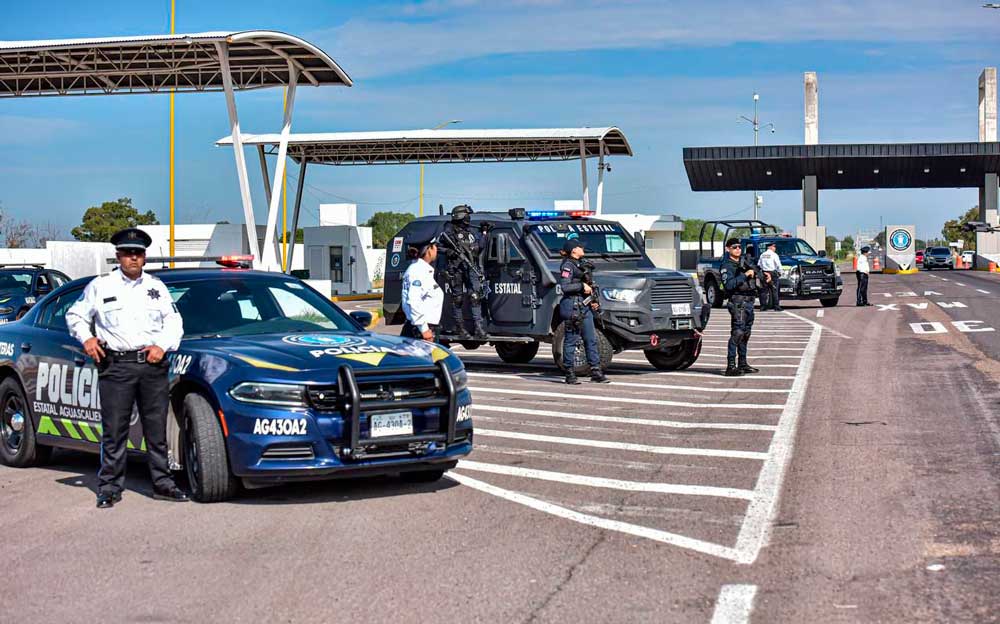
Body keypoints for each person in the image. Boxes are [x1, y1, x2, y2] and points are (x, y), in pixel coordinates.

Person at [66, 227, 187, 508]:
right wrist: (87, 338)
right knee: (115, 430)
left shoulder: (155, 287)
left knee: (155, 429)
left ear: (144, 257)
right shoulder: (101, 286)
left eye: (139, 253)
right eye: (128, 253)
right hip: (116, 365)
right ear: (118, 256)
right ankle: (109, 487)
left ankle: (163, 484)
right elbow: (75, 315)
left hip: (152, 366)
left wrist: (162, 346)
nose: (133, 258)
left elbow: (174, 322)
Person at [558, 240, 610, 385]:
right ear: (573, 250)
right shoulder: (568, 265)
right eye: (580, 246)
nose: (582, 248)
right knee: (571, 341)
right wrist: (581, 286)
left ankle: (596, 371)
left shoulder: (580, 264)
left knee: (591, 339)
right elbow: (564, 287)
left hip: (584, 306)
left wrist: (593, 300)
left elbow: (589, 285)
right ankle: (569, 373)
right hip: (573, 307)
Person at [437, 204, 489, 339]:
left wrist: (484, 233)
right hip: (457, 268)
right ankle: (460, 328)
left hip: (470, 266)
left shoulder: (471, 232)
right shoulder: (449, 231)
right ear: (461, 216)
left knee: (475, 297)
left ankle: (478, 328)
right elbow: (438, 247)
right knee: (458, 299)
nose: (469, 218)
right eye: (467, 215)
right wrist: (450, 251)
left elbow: (480, 247)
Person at [720, 238, 759, 377]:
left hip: (749, 301)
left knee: (746, 334)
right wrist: (745, 274)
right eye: (734, 247)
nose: (738, 249)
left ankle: (743, 363)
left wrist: (761, 274)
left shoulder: (745, 262)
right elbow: (729, 285)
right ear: (728, 249)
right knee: (737, 333)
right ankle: (731, 366)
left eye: (739, 247)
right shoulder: (727, 266)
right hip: (738, 302)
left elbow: (757, 274)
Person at [400, 237, 444, 341]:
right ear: (429, 250)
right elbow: (413, 301)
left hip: (421, 328)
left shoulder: (419, 269)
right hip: (421, 331)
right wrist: (424, 329)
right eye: (435, 246)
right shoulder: (418, 271)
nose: (436, 250)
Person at [758, 240, 782, 311]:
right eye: (774, 246)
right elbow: (778, 265)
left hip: (764, 273)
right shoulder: (774, 255)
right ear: (771, 247)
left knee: (763, 291)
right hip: (772, 274)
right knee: (774, 290)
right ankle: (776, 306)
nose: (775, 248)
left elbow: (759, 264)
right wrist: (780, 272)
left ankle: (763, 306)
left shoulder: (762, 254)